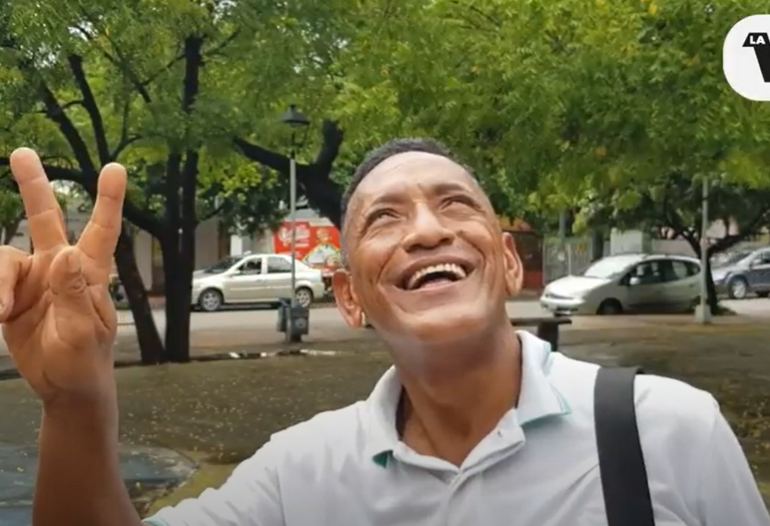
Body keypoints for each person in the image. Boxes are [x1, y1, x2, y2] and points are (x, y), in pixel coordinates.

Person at [2, 143, 768, 526]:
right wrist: (76, 404)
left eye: (455, 204)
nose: (427, 231)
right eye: (385, 219)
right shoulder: (300, 477)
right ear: (351, 298)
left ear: (508, 262)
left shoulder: (667, 431)